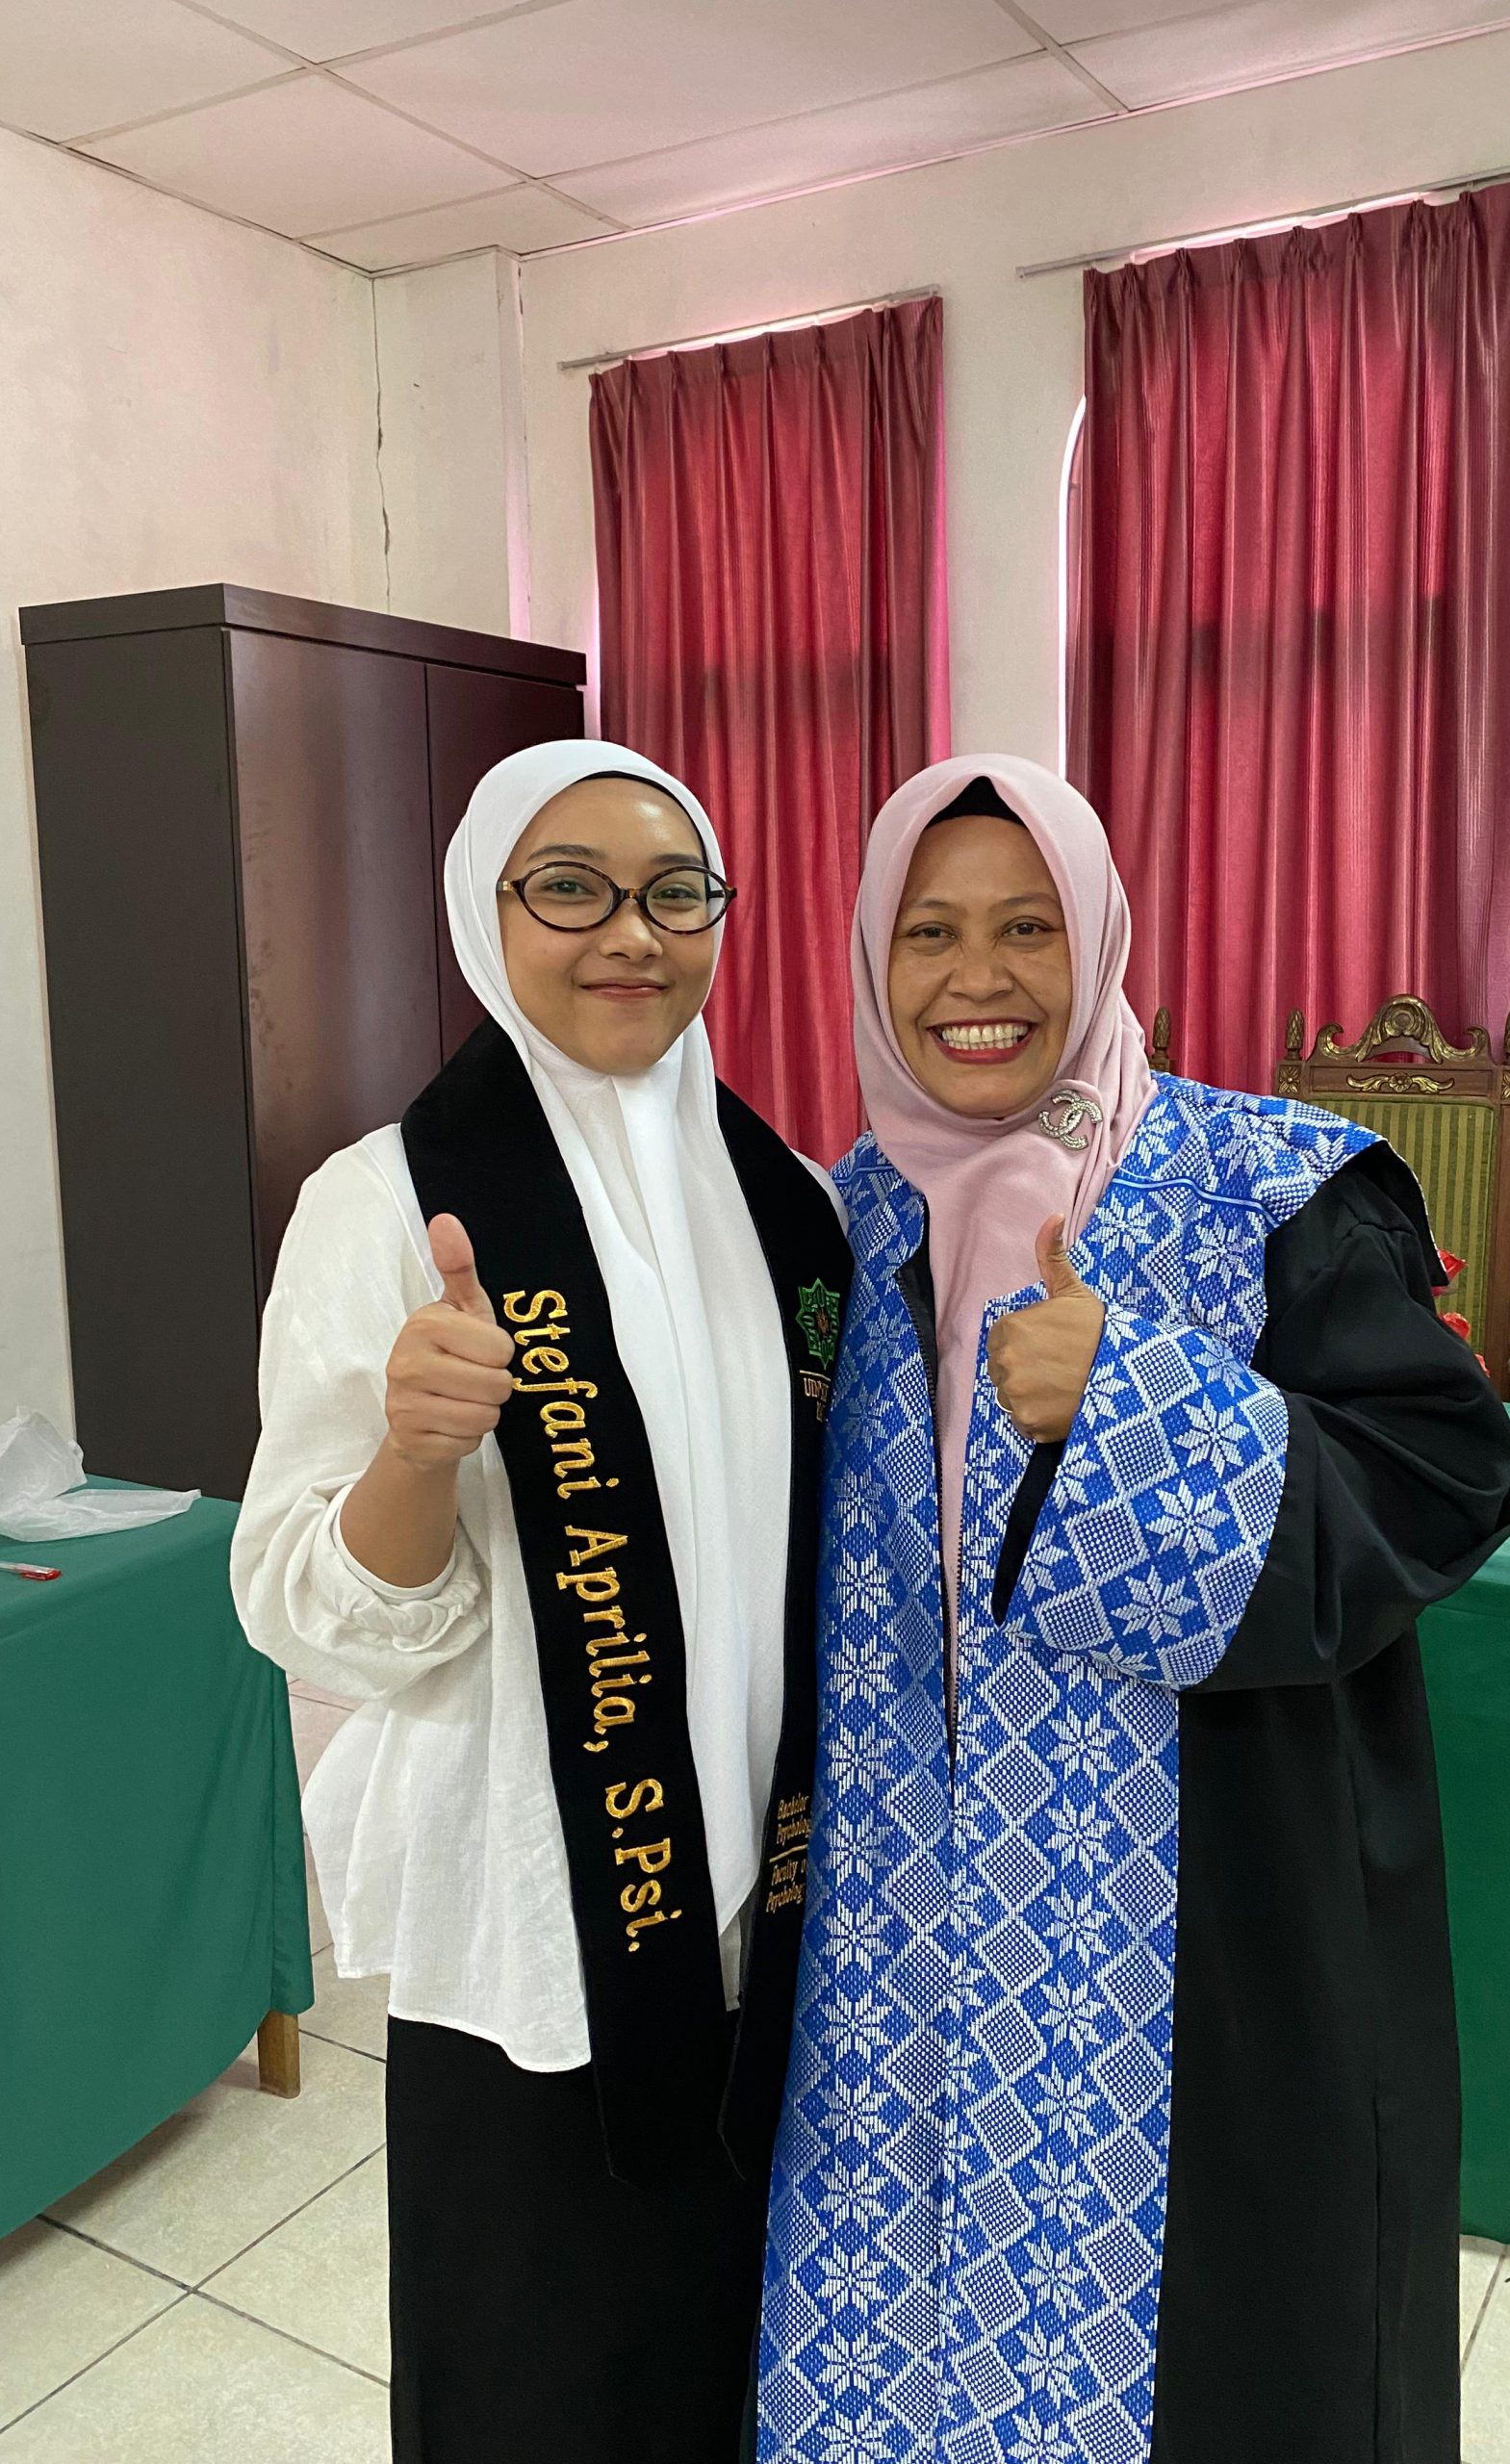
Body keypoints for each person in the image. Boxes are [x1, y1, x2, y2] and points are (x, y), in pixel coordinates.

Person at [755, 757, 1510, 2464]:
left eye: (1028, 928)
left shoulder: (1281, 1189)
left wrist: (1134, 1401)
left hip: (1207, 1935)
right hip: (897, 1943)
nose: (978, 978)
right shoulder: (840, 1225)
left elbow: (1445, 1479)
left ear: (1099, 941)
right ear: (869, 955)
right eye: (930, 932)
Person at [232, 741, 849, 2464]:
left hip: (770, 1914)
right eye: (567, 890)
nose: (628, 934)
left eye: (674, 892)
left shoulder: (790, 1205)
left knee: (727, 2361)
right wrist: (414, 1458)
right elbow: (298, 1609)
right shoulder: (383, 1204)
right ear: (482, 913)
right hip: (537, 1923)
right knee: (535, 2374)